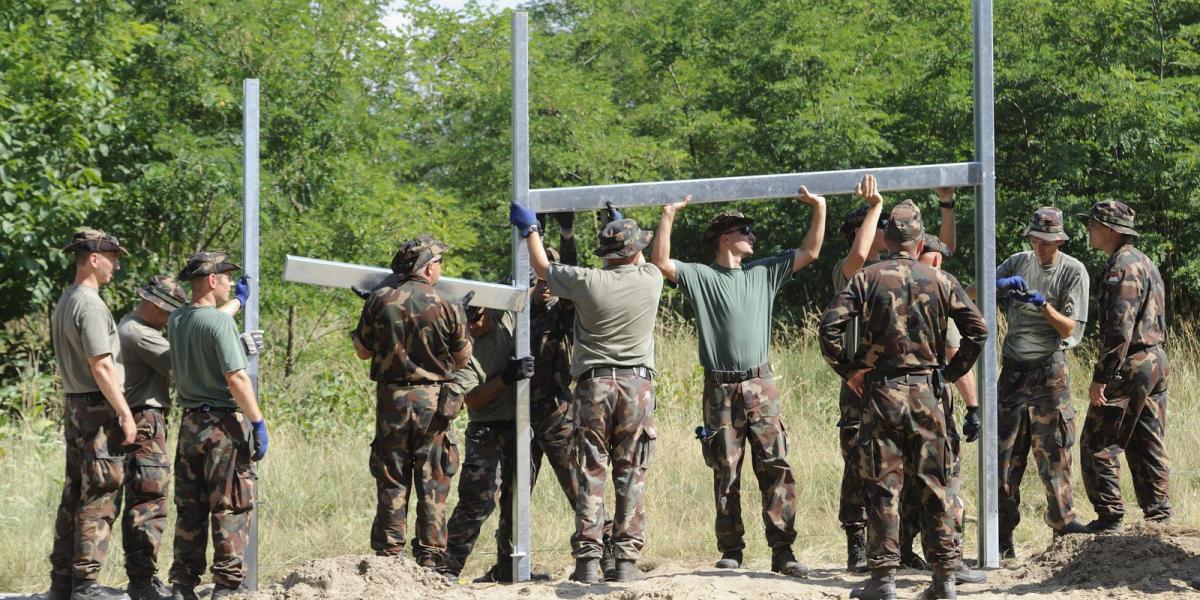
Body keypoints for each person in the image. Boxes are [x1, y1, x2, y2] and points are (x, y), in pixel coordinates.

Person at [649, 187, 826, 578]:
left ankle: (783, 550)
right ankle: (731, 549)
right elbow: (660, 260)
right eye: (745, 231)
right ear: (725, 238)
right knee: (725, 470)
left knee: (775, 466)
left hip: (760, 385)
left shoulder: (763, 271)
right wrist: (668, 214)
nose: (752, 237)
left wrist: (820, 207)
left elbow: (811, 252)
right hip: (720, 389)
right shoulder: (700, 276)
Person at [819, 201, 987, 600]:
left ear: (889, 238)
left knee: (883, 483)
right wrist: (948, 374)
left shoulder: (866, 278)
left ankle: (884, 581)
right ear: (918, 240)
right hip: (929, 392)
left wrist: (850, 370)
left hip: (882, 393)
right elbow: (978, 331)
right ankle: (944, 579)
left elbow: (829, 330)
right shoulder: (940, 279)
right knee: (937, 484)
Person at [510, 203, 662, 583]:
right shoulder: (650, 278)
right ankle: (625, 562)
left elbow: (544, 269)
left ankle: (589, 562)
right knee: (631, 473)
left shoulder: (588, 282)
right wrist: (618, 221)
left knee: (592, 470)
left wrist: (531, 230)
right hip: (636, 387)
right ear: (634, 252)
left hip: (593, 386)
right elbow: (650, 254)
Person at [116, 276, 247, 600]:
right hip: (145, 420)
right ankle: (143, 583)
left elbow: (198, 330)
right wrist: (234, 340)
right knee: (150, 501)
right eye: (169, 312)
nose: (171, 320)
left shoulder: (135, 326)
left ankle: (169, 583)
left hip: (159, 419)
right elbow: (191, 349)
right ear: (154, 305)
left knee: (183, 505)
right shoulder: (139, 333)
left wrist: (233, 305)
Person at [351, 236, 473, 566]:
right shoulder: (447, 304)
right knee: (433, 479)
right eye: (439, 263)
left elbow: (362, 350)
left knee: (392, 476)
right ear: (428, 267)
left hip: (391, 400)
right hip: (432, 403)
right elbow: (463, 359)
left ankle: (389, 555)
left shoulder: (379, 301)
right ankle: (431, 558)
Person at [983, 207, 1093, 557]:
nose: (1040, 247)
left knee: (1055, 452)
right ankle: (1001, 540)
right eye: (1035, 240)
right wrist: (994, 286)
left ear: (1058, 241)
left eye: (1047, 242)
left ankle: (1064, 529)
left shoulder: (1072, 271)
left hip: (1049, 372)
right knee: (1004, 455)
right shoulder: (1018, 262)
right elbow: (972, 292)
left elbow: (1070, 329)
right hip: (1014, 371)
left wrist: (1043, 305)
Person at [166, 252, 268, 600]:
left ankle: (182, 584)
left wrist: (238, 302)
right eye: (226, 277)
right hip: (221, 427)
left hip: (190, 425)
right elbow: (237, 377)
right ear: (212, 280)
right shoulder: (219, 324)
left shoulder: (177, 319)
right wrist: (257, 421)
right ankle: (226, 587)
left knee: (191, 507)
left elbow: (209, 321)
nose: (229, 282)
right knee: (231, 505)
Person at [48, 229, 138, 600]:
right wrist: (125, 412)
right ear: (94, 258)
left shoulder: (66, 300)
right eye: (112, 257)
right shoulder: (91, 304)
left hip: (75, 405)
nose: (115, 264)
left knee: (74, 493)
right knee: (99, 495)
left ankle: (63, 584)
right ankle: (86, 586)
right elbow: (101, 366)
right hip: (97, 408)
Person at [1077, 200, 1170, 532]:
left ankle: (1110, 517)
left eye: (1093, 224)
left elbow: (1119, 328)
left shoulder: (1123, 266)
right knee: (1147, 440)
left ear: (1111, 230)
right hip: (1154, 359)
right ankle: (1159, 518)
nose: (1089, 229)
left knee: (1096, 442)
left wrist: (1102, 377)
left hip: (1133, 363)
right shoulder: (1143, 261)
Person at [438, 301, 535, 582]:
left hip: (518, 424)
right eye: (467, 321)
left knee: (517, 497)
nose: (474, 325)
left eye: (478, 317)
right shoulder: (462, 350)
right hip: (486, 429)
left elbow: (527, 293)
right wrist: (507, 377)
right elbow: (473, 398)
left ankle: (510, 568)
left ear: (488, 309)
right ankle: (447, 567)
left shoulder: (504, 314)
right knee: (477, 499)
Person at [909, 235, 986, 584]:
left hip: (888, 400)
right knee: (944, 481)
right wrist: (972, 406)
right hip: (932, 402)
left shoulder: (886, 282)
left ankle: (892, 557)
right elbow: (956, 353)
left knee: (898, 480)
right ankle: (949, 561)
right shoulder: (941, 290)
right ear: (937, 261)